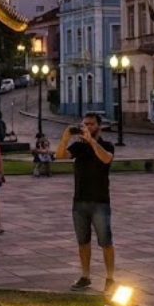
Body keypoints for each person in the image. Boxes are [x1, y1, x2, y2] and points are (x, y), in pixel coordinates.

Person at [54, 112, 116, 293]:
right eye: (85, 124)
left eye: (91, 124)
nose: (87, 127)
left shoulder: (106, 145)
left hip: (100, 201)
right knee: (83, 241)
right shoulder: (79, 146)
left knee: (105, 241)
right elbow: (60, 156)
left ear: (99, 126)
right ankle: (85, 276)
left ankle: (110, 278)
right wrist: (65, 138)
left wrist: (91, 141)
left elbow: (106, 158)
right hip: (79, 201)